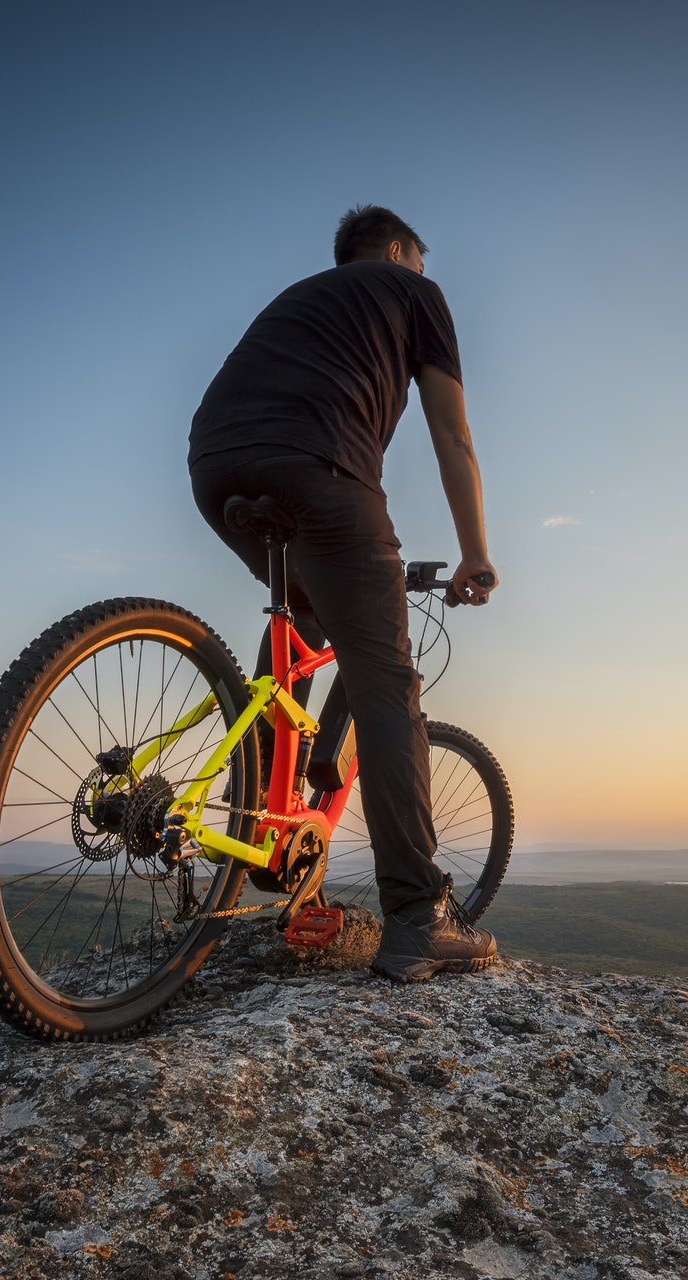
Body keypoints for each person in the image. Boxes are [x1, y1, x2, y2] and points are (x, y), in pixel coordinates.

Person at [188, 205, 499, 982]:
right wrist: (474, 555)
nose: (423, 278)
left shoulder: (307, 299)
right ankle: (417, 917)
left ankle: (264, 810)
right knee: (388, 683)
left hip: (215, 463)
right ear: (398, 252)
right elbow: (453, 437)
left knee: (302, 618)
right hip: (319, 470)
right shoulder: (412, 292)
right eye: (419, 264)